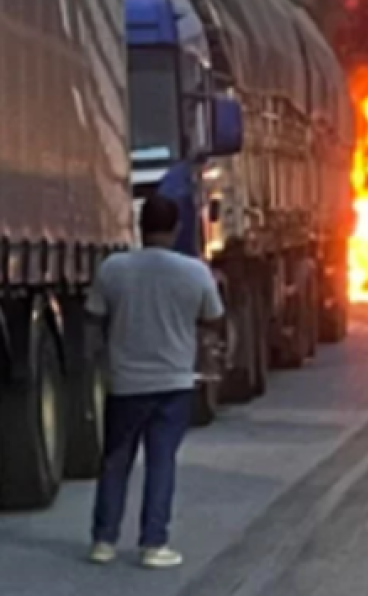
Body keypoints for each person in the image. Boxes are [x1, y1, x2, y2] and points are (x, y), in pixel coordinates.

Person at [86, 193, 225, 568]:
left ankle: (103, 541)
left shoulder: (113, 269)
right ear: (177, 228)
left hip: (126, 383)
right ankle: (153, 544)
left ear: (139, 226)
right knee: (161, 461)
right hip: (174, 383)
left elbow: (94, 318)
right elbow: (213, 315)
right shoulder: (194, 272)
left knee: (115, 461)